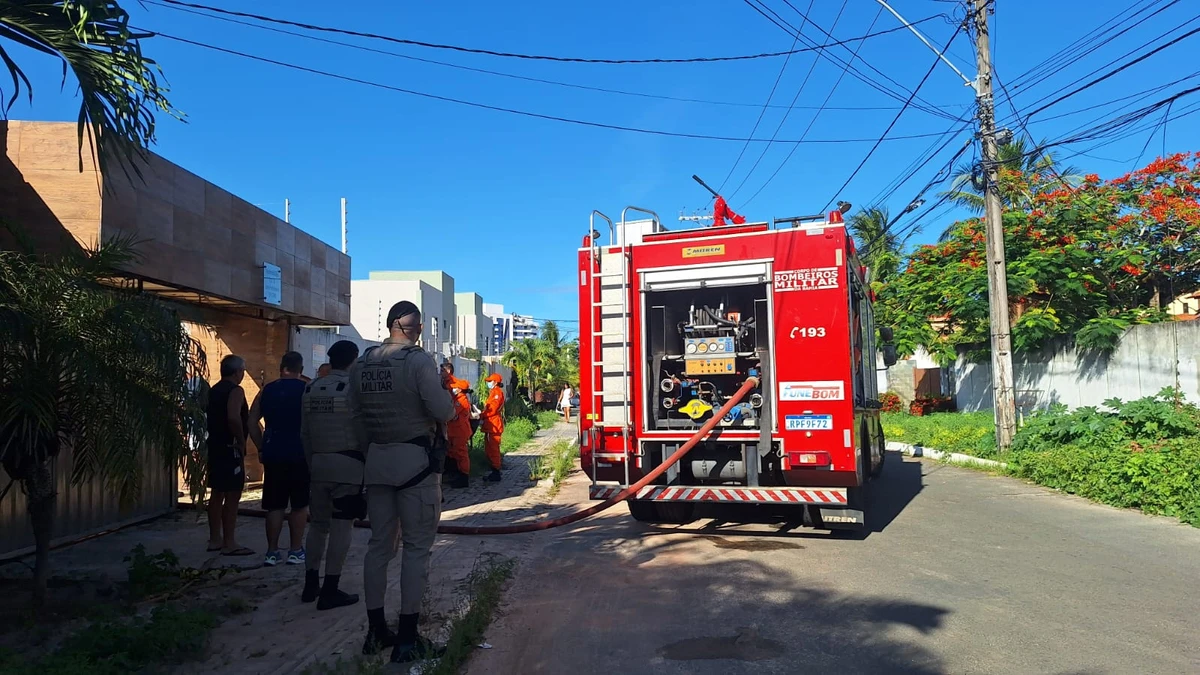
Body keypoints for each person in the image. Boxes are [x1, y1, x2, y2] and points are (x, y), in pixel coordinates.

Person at [347, 301, 455, 663]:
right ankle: (408, 639)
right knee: (417, 549)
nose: (421, 333)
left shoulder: (362, 362)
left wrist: (372, 450)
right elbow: (443, 411)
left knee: (379, 547)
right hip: (415, 467)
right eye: (420, 327)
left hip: (377, 463)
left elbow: (355, 417)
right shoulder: (417, 361)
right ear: (410, 327)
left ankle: (375, 632)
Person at [300, 340, 363, 610]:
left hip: (319, 464)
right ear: (353, 361)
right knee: (341, 527)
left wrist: (312, 463)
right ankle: (331, 589)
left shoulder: (312, 388)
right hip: (347, 467)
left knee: (317, 526)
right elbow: (362, 431)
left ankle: (310, 583)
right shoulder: (353, 390)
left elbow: (304, 433)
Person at [250, 351, 310, 567]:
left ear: (281, 367)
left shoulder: (267, 390)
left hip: (273, 453)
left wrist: (260, 446)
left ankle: (272, 552)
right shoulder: (306, 390)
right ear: (301, 370)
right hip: (300, 453)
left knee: (275, 506)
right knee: (299, 506)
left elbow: (251, 421)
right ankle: (295, 550)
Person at [205, 355, 254, 556]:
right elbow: (233, 417)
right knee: (233, 495)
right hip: (229, 448)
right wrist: (241, 440)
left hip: (215, 446)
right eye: (242, 371)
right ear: (237, 372)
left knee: (217, 493)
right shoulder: (236, 390)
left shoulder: (213, 390)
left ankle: (215, 539)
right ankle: (230, 542)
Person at [445, 378, 473, 489]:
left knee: (461, 454)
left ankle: (464, 477)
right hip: (455, 431)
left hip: (460, 431)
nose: (454, 389)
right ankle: (458, 475)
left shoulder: (461, 400)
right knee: (455, 453)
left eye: (456, 387)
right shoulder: (457, 398)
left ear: (460, 389)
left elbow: (452, 413)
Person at [481, 373, 506, 482]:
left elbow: (493, 409)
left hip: (494, 424)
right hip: (490, 424)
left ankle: (496, 472)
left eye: (490, 381)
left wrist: (481, 415)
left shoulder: (497, 393)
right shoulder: (493, 392)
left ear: (495, 382)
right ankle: (494, 470)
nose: (488, 383)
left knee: (493, 448)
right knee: (489, 448)